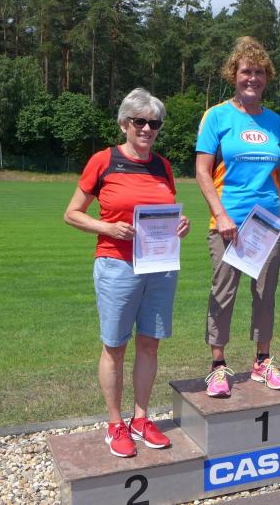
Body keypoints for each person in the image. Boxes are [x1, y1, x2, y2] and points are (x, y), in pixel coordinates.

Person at [63, 88, 190, 458]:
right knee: (115, 346)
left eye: (155, 123)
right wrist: (107, 228)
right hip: (117, 265)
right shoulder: (103, 161)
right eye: (140, 121)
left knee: (150, 343)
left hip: (160, 267)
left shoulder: (163, 166)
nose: (148, 129)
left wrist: (180, 224)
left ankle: (141, 418)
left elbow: (165, 212)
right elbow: (72, 213)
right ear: (124, 124)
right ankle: (115, 423)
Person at [195, 36, 280, 397]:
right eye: (246, 72)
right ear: (233, 75)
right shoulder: (217, 116)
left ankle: (262, 362)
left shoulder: (274, 121)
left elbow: (279, 171)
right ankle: (217, 366)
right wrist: (220, 215)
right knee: (223, 294)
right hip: (229, 223)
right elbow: (202, 171)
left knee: (265, 294)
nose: (252, 78)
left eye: (259, 73)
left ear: (267, 78)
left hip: (267, 223)